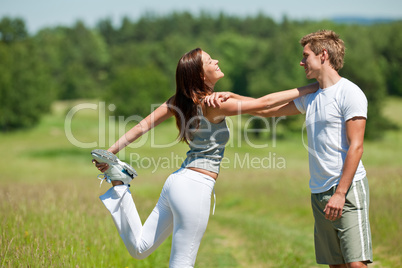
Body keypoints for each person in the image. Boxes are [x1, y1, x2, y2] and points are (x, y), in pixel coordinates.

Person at [93, 47, 318, 267]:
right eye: (210, 61)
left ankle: (120, 184)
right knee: (182, 263)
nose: (216, 61)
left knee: (140, 249)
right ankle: (120, 183)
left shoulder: (179, 101)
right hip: (195, 187)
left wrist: (110, 152)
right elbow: (263, 105)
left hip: (176, 182)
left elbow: (142, 126)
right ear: (201, 75)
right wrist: (313, 87)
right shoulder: (212, 105)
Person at [225, 30, 372, 268]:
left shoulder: (349, 92)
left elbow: (356, 146)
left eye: (306, 56)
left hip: (346, 189)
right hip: (319, 190)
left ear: (323, 55)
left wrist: (340, 193)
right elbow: (265, 110)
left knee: (355, 264)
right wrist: (233, 98)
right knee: (335, 265)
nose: (301, 62)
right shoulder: (313, 96)